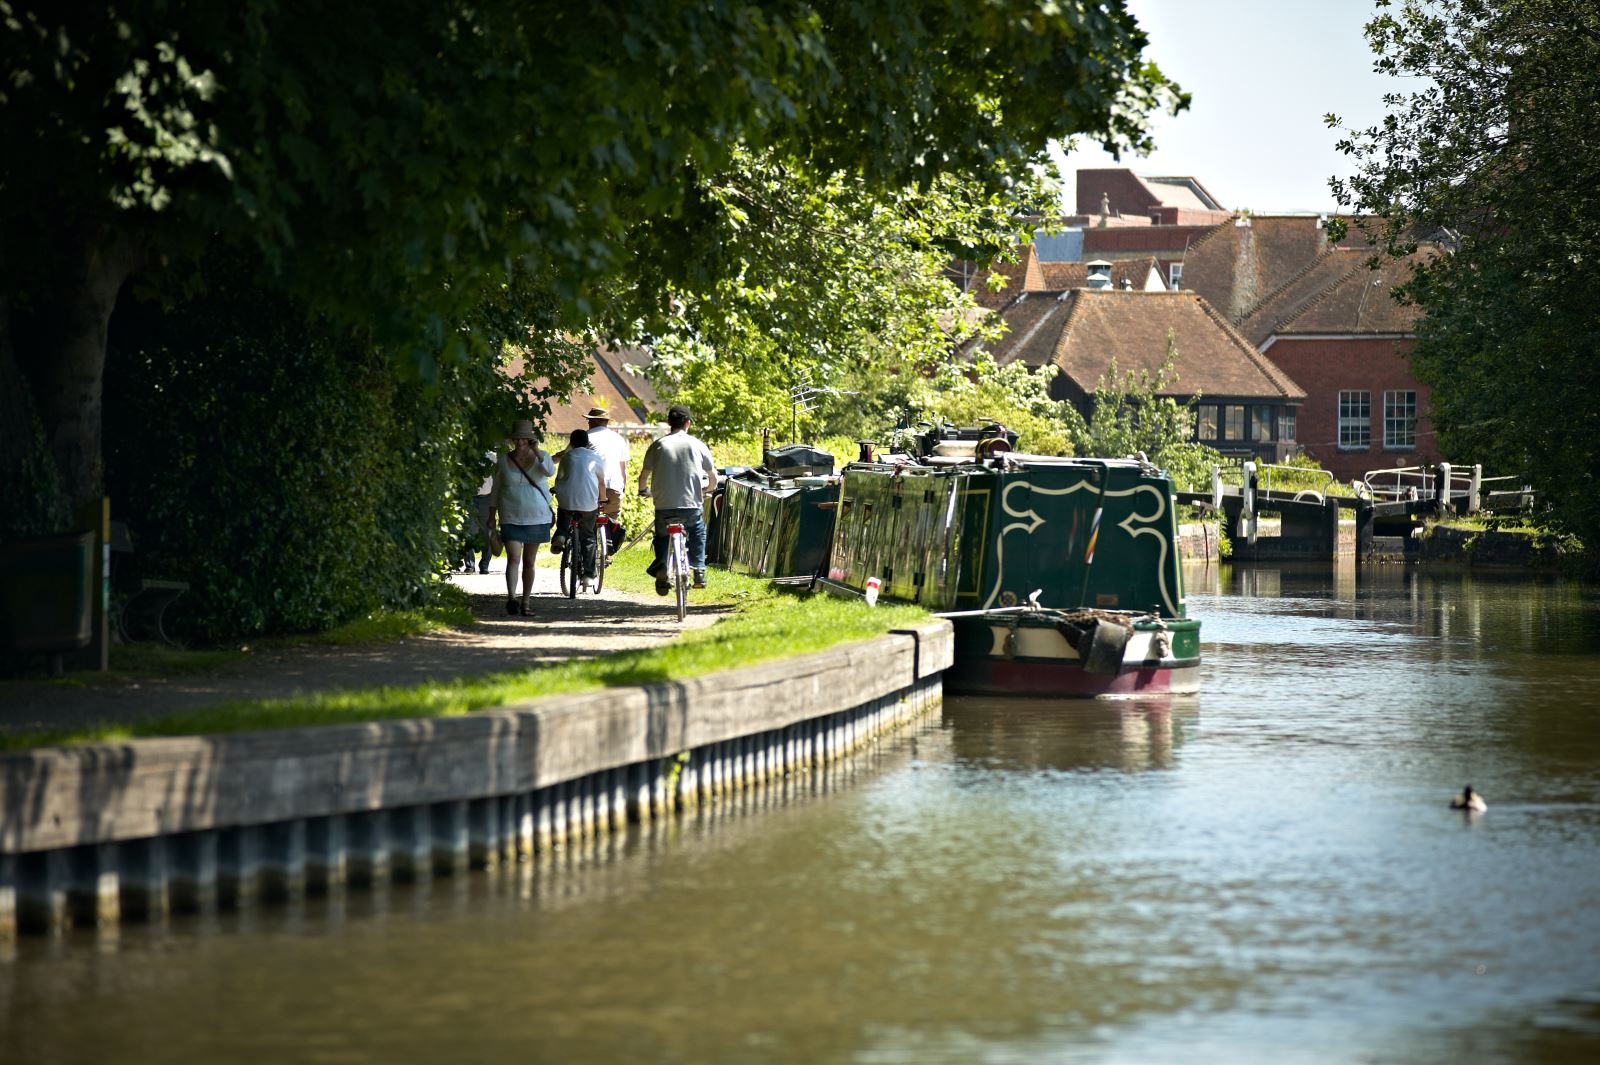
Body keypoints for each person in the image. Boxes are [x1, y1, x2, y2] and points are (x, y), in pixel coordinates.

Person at [638, 404, 717, 595]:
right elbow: (712, 476)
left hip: (664, 506)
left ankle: (663, 567)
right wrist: (708, 489)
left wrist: (643, 491)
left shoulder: (658, 445)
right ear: (688, 423)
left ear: (669, 424)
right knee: (697, 532)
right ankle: (698, 571)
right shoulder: (697, 444)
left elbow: (643, 475)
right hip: (691, 505)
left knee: (662, 537)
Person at [488, 419, 555, 615]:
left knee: (530, 561)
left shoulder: (542, 457)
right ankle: (511, 598)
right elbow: (496, 489)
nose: (520, 443)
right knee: (513, 558)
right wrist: (492, 515)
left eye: (524, 439)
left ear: (531, 440)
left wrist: (536, 452)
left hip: (537, 516)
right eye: (517, 439)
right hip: (510, 515)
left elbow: (549, 472)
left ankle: (526, 602)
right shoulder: (503, 460)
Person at [551, 428, 609, 587]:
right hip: (588, 503)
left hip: (567, 499)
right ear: (587, 443)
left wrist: (557, 489)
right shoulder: (596, 457)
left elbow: (560, 478)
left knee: (564, 512)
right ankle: (588, 575)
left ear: (572, 443)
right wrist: (603, 499)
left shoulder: (567, 457)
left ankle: (561, 535)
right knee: (588, 536)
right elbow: (602, 482)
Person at [583, 406, 631, 550]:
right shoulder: (619, 439)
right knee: (612, 518)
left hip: (590, 487)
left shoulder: (585, 437)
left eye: (589, 420)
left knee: (586, 521)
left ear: (595, 421)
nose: (588, 423)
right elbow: (623, 470)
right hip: (614, 486)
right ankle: (607, 552)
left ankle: (586, 551)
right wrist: (622, 489)